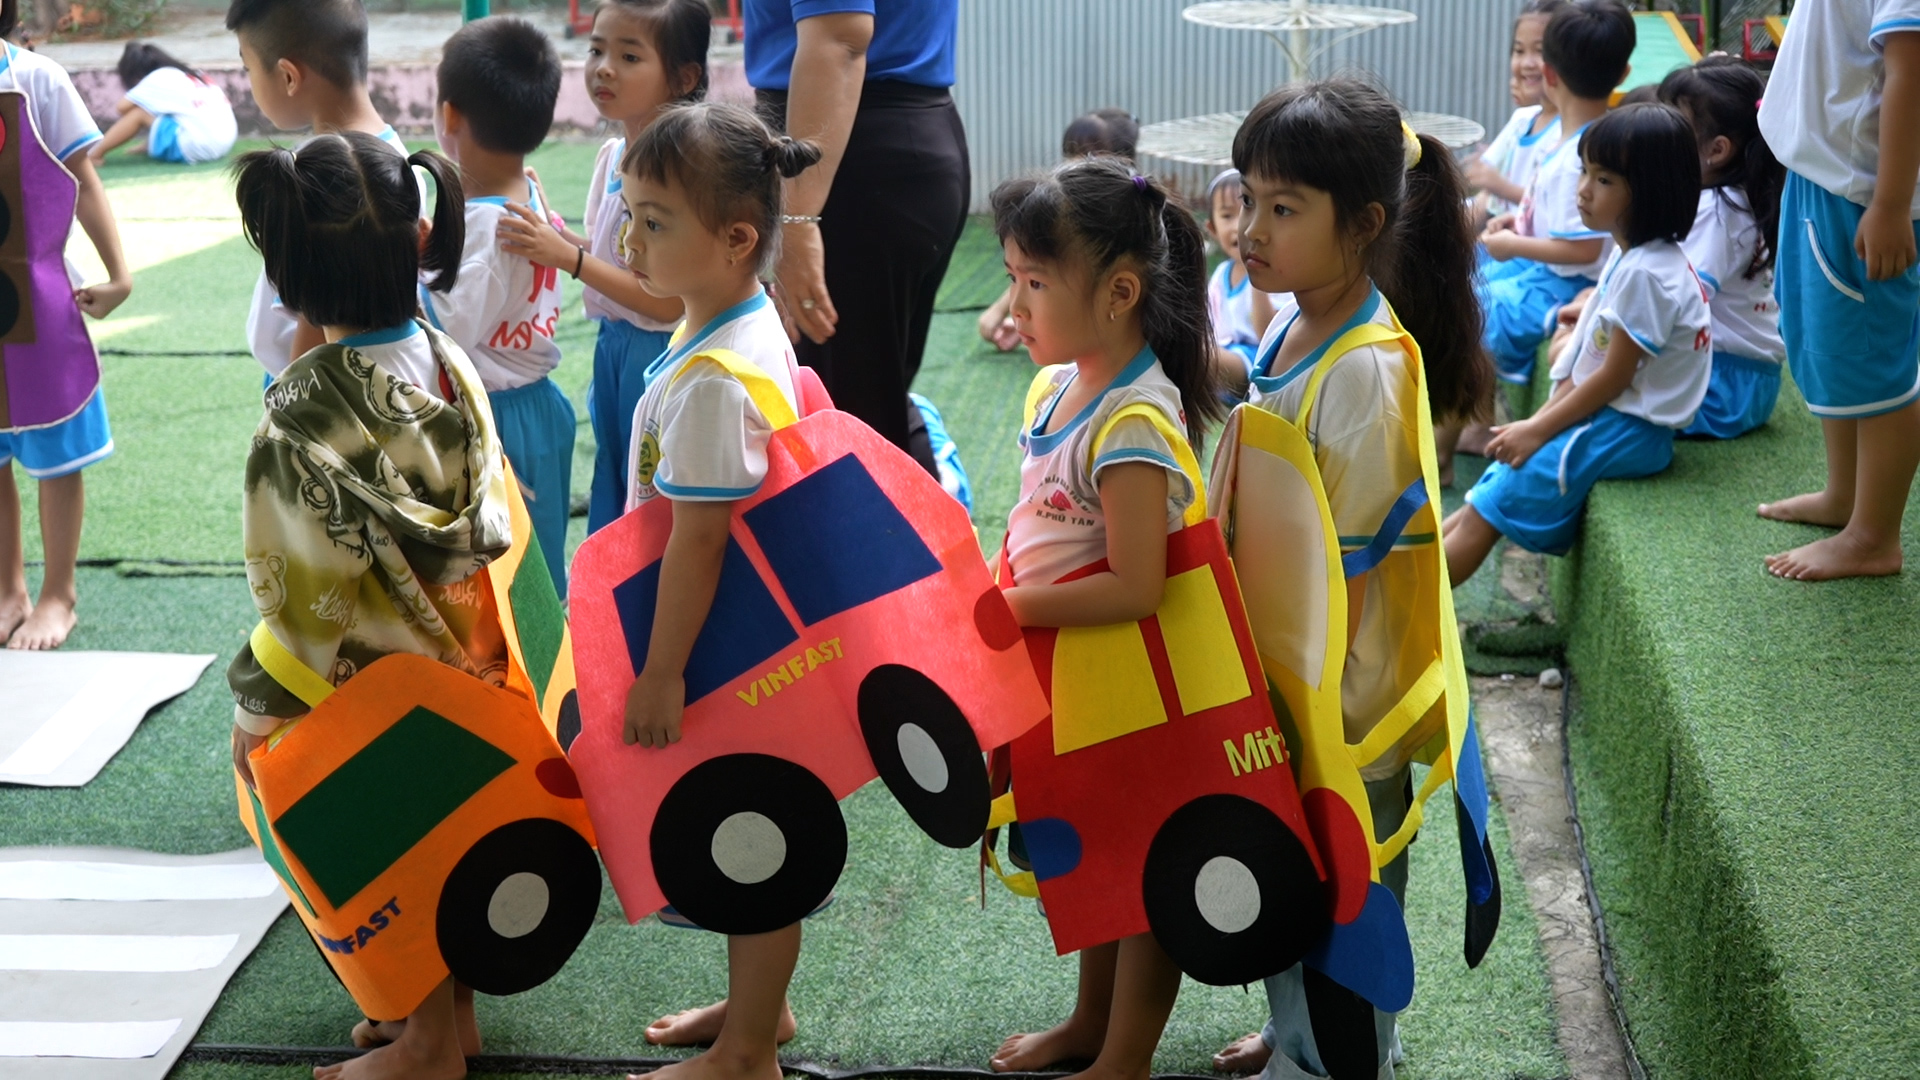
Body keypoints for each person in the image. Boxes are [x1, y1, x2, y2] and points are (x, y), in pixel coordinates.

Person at [1210, 78, 1491, 1080]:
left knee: (1348, 876)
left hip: (1343, 692)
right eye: (1249, 200)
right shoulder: (1293, 323)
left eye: (1284, 208)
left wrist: (1313, 707)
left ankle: (1339, 1055)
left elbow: (1358, 563)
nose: (1252, 229)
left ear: (1364, 224)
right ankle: (1296, 1035)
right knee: (1293, 866)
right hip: (1286, 665)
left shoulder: (1367, 370)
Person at [225, 131, 493, 1080]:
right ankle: (451, 1019)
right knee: (448, 830)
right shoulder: (446, 359)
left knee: (386, 844)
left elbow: (302, 602)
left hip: (365, 685)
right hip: (469, 659)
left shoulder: (301, 411)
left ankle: (427, 1043)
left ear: (287, 282)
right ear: (419, 238)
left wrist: (258, 713)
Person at [983, 157, 1226, 1080]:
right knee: (1095, 854)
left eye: (1036, 284)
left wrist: (1013, 606)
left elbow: (1136, 585)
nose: (1016, 305)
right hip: (1075, 680)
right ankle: (1090, 1023)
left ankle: (1125, 1058)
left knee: (1143, 864)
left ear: (1120, 293)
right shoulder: (1061, 387)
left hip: (1135, 692)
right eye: (1013, 279)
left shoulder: (1131, 422)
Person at [610, 102, 820, 1080]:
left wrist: (660, 673)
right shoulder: (731, 322)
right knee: (742, 825)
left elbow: (698, 543)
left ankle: (747, 1052)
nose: (629, 241)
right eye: (631, 214)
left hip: (723, 647)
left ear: (737, 240)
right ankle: (756, 1010)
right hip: (737, 637)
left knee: (753, 835)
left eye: (655, 222)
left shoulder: (715, 382)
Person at [1446, 104, 1708, 587]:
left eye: (1604, 179)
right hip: (1609, 417)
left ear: (1651, 190)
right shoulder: (1635, 257)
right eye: (1584, 171)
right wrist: (1536, 422)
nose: (1583, 189)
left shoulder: (1647, 274)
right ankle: (1398, 587)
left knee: (1489, 508)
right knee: (1486, 494)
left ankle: (1402, 612)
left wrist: (1537, 429)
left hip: (1625, 429)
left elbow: (1613, 378)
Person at [498, 0, 708, 535]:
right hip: (613, 345)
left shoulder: (683, 171)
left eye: (629, 57)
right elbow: (610, 254)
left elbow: (665, 301)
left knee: (650, 491)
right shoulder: (612, 155)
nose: (604, 69)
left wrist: (566, 256)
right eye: (596, 51)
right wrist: (554, 231)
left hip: (658, 352)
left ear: (684, 77)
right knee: (615, 473)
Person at [746, 0, 969, 478]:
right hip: (875, 142)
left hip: (842, 157)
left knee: (846, 438)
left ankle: (929, 527)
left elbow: (840, 38)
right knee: (869, 412)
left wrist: (798, 218)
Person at [1754, 0, 1920, 580]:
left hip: (1861, 190)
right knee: (1831, 347)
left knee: (1874, 361)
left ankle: (1873, 536)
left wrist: (1890, 204)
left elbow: (1910, 67)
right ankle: (1844, 495)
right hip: (1826, 173)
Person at [418, 16, 572, 597]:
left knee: (506, 583)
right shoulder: (524, 190)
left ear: (449, 115)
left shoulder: (486, 227)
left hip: (499, 420)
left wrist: (408, 264)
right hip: (537, 408)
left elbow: (446, 327)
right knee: (538, 569)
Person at [0, 0, 133, 651]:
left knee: (56, 446)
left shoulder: (37, 79)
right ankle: (8, 589)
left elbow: (84, 177)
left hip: (39, 294)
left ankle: (58, 593)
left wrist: (119, 274)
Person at [227, 0, 416, 378]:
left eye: (248, 68)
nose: (249, 80)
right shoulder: (398, 165)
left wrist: (294, 397)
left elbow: (320, 318)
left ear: (289, 76)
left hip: (318, 385)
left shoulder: (325, 180)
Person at [1478, 0, 1634, 386]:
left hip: (1567, 284)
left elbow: (1584, 250)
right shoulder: (1573, 141)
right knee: (1466, 285)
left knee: (1476, 311)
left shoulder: (1579, 158)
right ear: (1624, 74)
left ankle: (1477, 411)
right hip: (1552, 272)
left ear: (1549, 73)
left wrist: (1513, 245)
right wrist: (1519, 221)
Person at [1657, 57, 1785, 439]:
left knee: (1606, 383)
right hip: (1742, 380)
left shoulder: (1715, 211)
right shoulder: (1731, 197)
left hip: (1723, 386)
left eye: (1670, 128)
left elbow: (1678, 300)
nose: (1654, 136)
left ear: (1716, 150)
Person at [980, 108, 1140, 353]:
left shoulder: (1117, 221)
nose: (1072, 164)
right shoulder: (1070, 207)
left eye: (1087, 155)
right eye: (1069, 153)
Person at [1467, 0, 1569, 229]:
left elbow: (1556, 209)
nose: (1527, 63)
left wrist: (1500, 186)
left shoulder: (1568, 132)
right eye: (1519, 51)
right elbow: (1485, 196)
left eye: (1540, 51)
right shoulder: (1523, 119)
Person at [89, 42, 237, 165]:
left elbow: (122, 108)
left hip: (197, 147)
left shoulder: (158, 77)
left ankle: (95, 154)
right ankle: (151, 144)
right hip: (224, 144)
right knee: (169, 113)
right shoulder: (194, 74)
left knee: (139, 113)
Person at [1203, 168, 1278, 397]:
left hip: (1258, 360)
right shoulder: (1220, 275)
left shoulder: (1276, 272)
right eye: (1227, 216)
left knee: (1199, 356)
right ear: (1212, 229)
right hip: (1223, 353)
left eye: (1247, 210)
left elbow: (1270, 336)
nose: (1238, 225)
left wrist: (1257, 278)